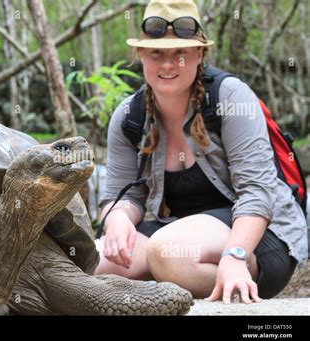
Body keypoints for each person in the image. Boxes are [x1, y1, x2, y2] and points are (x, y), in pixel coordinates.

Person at [94, 0, 308, 303]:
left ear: (199, 53)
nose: (168, 64)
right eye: (157, 53)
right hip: (181, 233)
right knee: (90, 262)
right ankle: (174, 273)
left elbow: (257, 191)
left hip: (260, 239)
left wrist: (235, 256)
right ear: (141, 54)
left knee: (166, 252)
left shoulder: (231, 97)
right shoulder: (130, 115)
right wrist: (117, 218)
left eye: (180, 53)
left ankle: (212, 278)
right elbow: (121, 196)